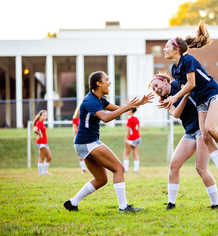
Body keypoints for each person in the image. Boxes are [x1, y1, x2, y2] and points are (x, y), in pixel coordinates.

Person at [159, 21, 218, 187]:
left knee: (211, 129)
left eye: (167, 46)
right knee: (205, 136)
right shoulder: (174, 70)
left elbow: (191, 85)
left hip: (214, 95)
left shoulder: (188, 59)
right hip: (201, 103)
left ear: (176, 50)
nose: (164, 49)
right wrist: (170, 99)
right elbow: (185, 90)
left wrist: (174, 98)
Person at [63, 71, 154, 212]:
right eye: (107, 80)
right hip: (87, 142)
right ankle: (123, 207)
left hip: (86, 142)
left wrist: (136, 104)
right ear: (98, 83)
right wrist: (127, 107)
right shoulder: (90, 101)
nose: (110, 83)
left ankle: (72, 203)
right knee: (119, 168)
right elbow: (105, 118)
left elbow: (118, 109)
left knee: (101, 179)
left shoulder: (99, 99)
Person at [150, 73, 218, 210]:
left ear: (166, 81)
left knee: (201, 168)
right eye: (154, 89)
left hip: (202, 129)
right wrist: (183, 97)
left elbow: (191, 87)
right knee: (174, 164)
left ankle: (216, 204)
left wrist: (182, 94)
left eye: (156, 85)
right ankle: (171, 204)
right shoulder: (165, 100)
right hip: (190, 131)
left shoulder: (178, 85)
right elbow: (176, 114)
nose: (156, 90)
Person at [33, 110, 52, 175]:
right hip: (41, 143)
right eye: (44, 115)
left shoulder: (42, 123)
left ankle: (45, 172)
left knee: (49, 157)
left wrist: (39, 134)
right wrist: (39, 134)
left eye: (46, 115)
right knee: (42, 157)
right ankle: (41, 173)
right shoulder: (39, 122)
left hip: (44, 143)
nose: (45, 117)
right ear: (40, 116)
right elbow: (35, 129)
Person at [123, 108, 141, 173]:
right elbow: (138, 129)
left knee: (126, 154)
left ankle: (126, 169)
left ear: (131, 111)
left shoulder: (130, 119)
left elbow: (128, 130)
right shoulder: (136, 119)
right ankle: (136, 169)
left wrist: (126, 138)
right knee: (135, 154)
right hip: (138, 137)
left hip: (131, 138)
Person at [73, 105, 87, 174]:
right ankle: (83, 170)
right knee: (81, 155)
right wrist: (75, 137)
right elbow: (74, 129)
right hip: (79, 138)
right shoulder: (75, 119)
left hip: (86, 137)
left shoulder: (84, 117)